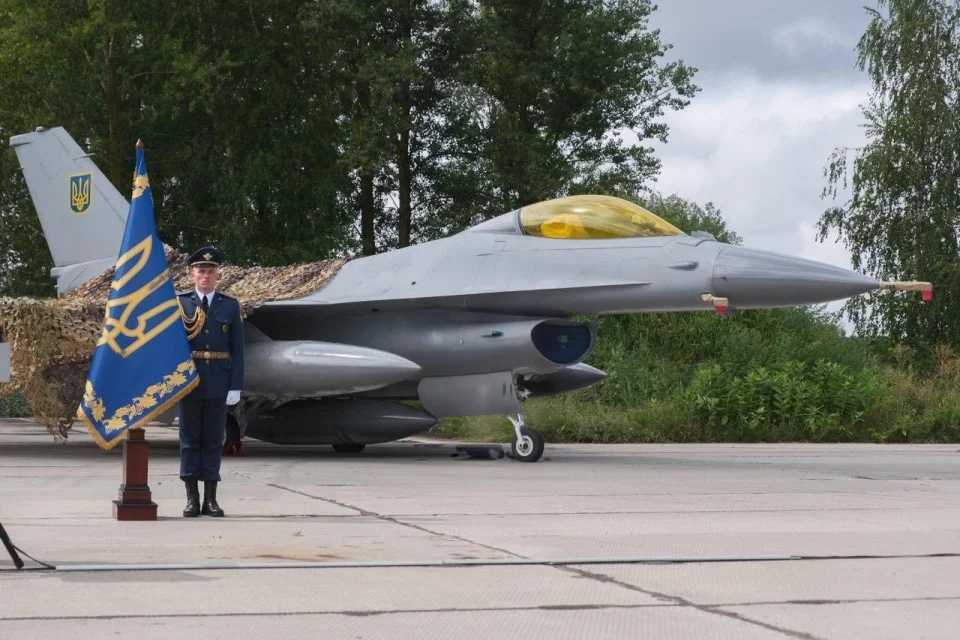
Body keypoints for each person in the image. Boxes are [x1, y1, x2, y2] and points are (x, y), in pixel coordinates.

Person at [177, 247, 245, 517]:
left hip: (218, 379)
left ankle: (211, 500)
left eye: (210, 271)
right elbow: (171, 347)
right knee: (189, 440)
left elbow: (238, 349)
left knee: (214, 441)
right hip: (189, 380)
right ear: (192, 274)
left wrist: (235, 385)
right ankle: (192, 499)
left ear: (218, 274)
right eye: (201, 271)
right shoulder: (180, 304)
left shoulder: (229, 305)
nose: (206, 275)